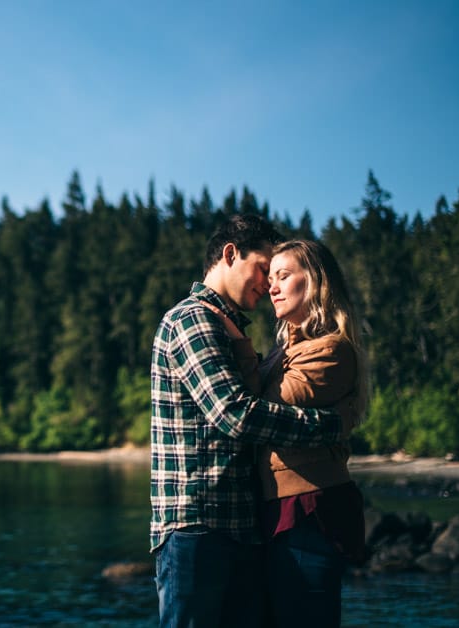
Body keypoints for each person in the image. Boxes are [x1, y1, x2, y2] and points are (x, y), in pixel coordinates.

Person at [150, 214, 351, 628]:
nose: (268, 283)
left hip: (238, 524)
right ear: (230, 254)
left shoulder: (228, 328)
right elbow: (235, 415)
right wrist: (327, 426)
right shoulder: (193, 320)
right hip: (197, 525)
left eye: (278, 274)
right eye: (263, 269)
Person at [259, 240, 368, 628]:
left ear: (317, 282)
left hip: (308, 509)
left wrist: (235, 351)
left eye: (283, 276)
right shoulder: (286, 352)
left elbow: (264, 406)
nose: (272, 287)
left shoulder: (332, 350)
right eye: (270, 278)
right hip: (283, 507)